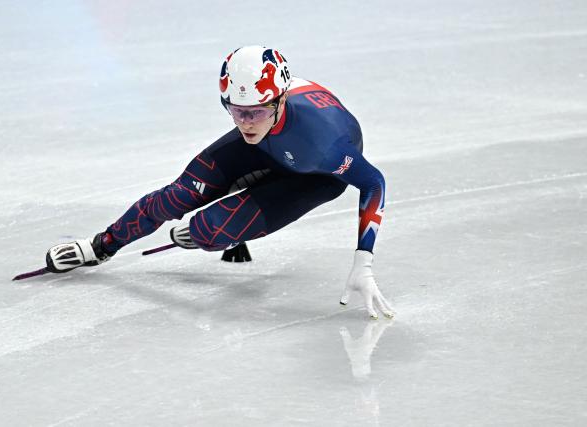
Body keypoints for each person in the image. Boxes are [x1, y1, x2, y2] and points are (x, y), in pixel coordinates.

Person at [45, 46, 394, 319]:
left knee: (210, 230)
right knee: (174, 198)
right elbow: (253, 116)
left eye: (254, 111)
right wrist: (256, 117)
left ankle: (204, 234)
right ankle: (101, 245)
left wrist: (363, 261)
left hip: (313, 175)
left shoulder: (324, 143)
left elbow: (373, 182)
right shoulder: (256, 114)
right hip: (272, 146)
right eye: (235, 110)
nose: (244, 121)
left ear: (281, 100)